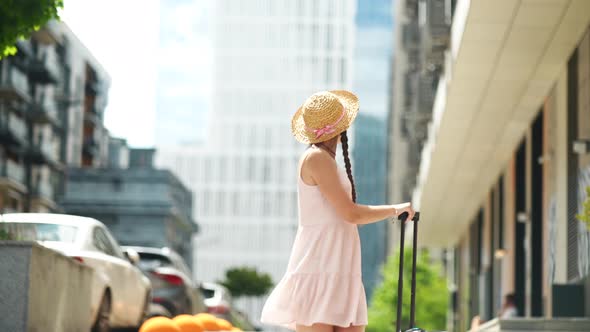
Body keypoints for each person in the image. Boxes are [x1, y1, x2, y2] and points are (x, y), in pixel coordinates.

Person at [260, 90, 416, 332]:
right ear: (341, 127)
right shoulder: (317, 158)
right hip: (321, 264)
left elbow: (348, 215)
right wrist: (395, 209)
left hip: (338, 264)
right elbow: (351, 214)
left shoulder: (325, 160)